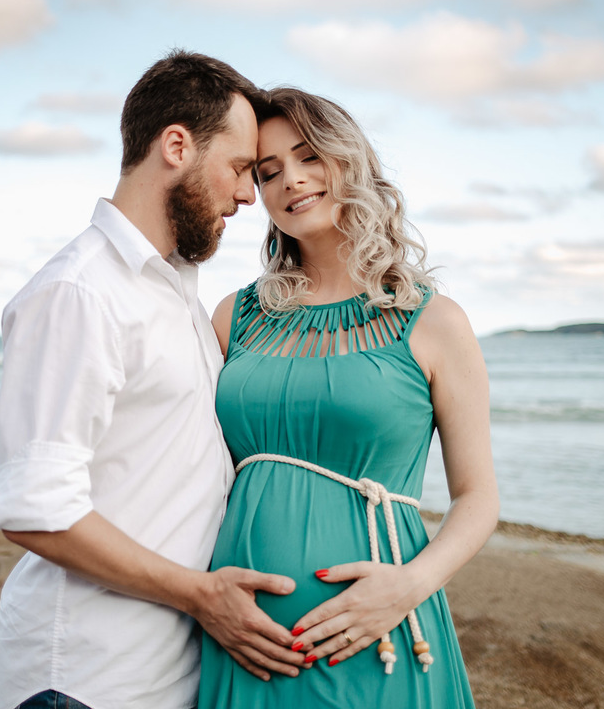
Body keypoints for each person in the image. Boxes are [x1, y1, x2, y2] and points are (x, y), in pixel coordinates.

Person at [0, 52, 306, 709]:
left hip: (164, 674)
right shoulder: (81, 293)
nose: (251, 195)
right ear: (177, 145)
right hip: (84, 681)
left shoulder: (175, 291)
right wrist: (201, 596)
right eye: (242, 168)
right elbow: (37, 511)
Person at [198, 87, 499, 707]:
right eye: (268, 170)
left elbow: (478, 498)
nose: (292, 181)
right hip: (246, 633)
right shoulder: (235, 316)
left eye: (309, 157)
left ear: (349, 161)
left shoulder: (435, 322)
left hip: (381, 630)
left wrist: (407, 587)